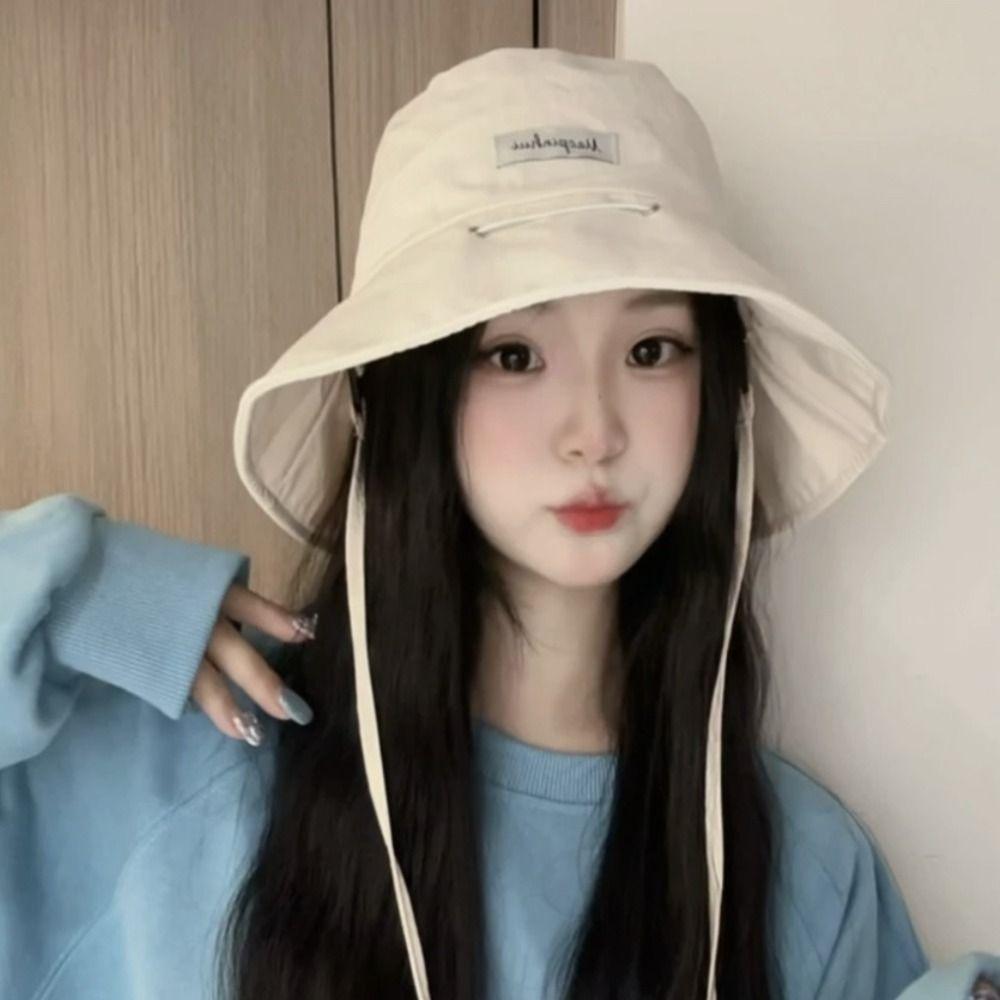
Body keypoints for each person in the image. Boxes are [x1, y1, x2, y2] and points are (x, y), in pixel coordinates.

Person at [1, 46, 997, 1000]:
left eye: (652, 349)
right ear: (395, 395)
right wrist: (59, 586)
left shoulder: (799, 875)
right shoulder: (177, 760)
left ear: (720, 389)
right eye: (514, 355)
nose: (594, 431)